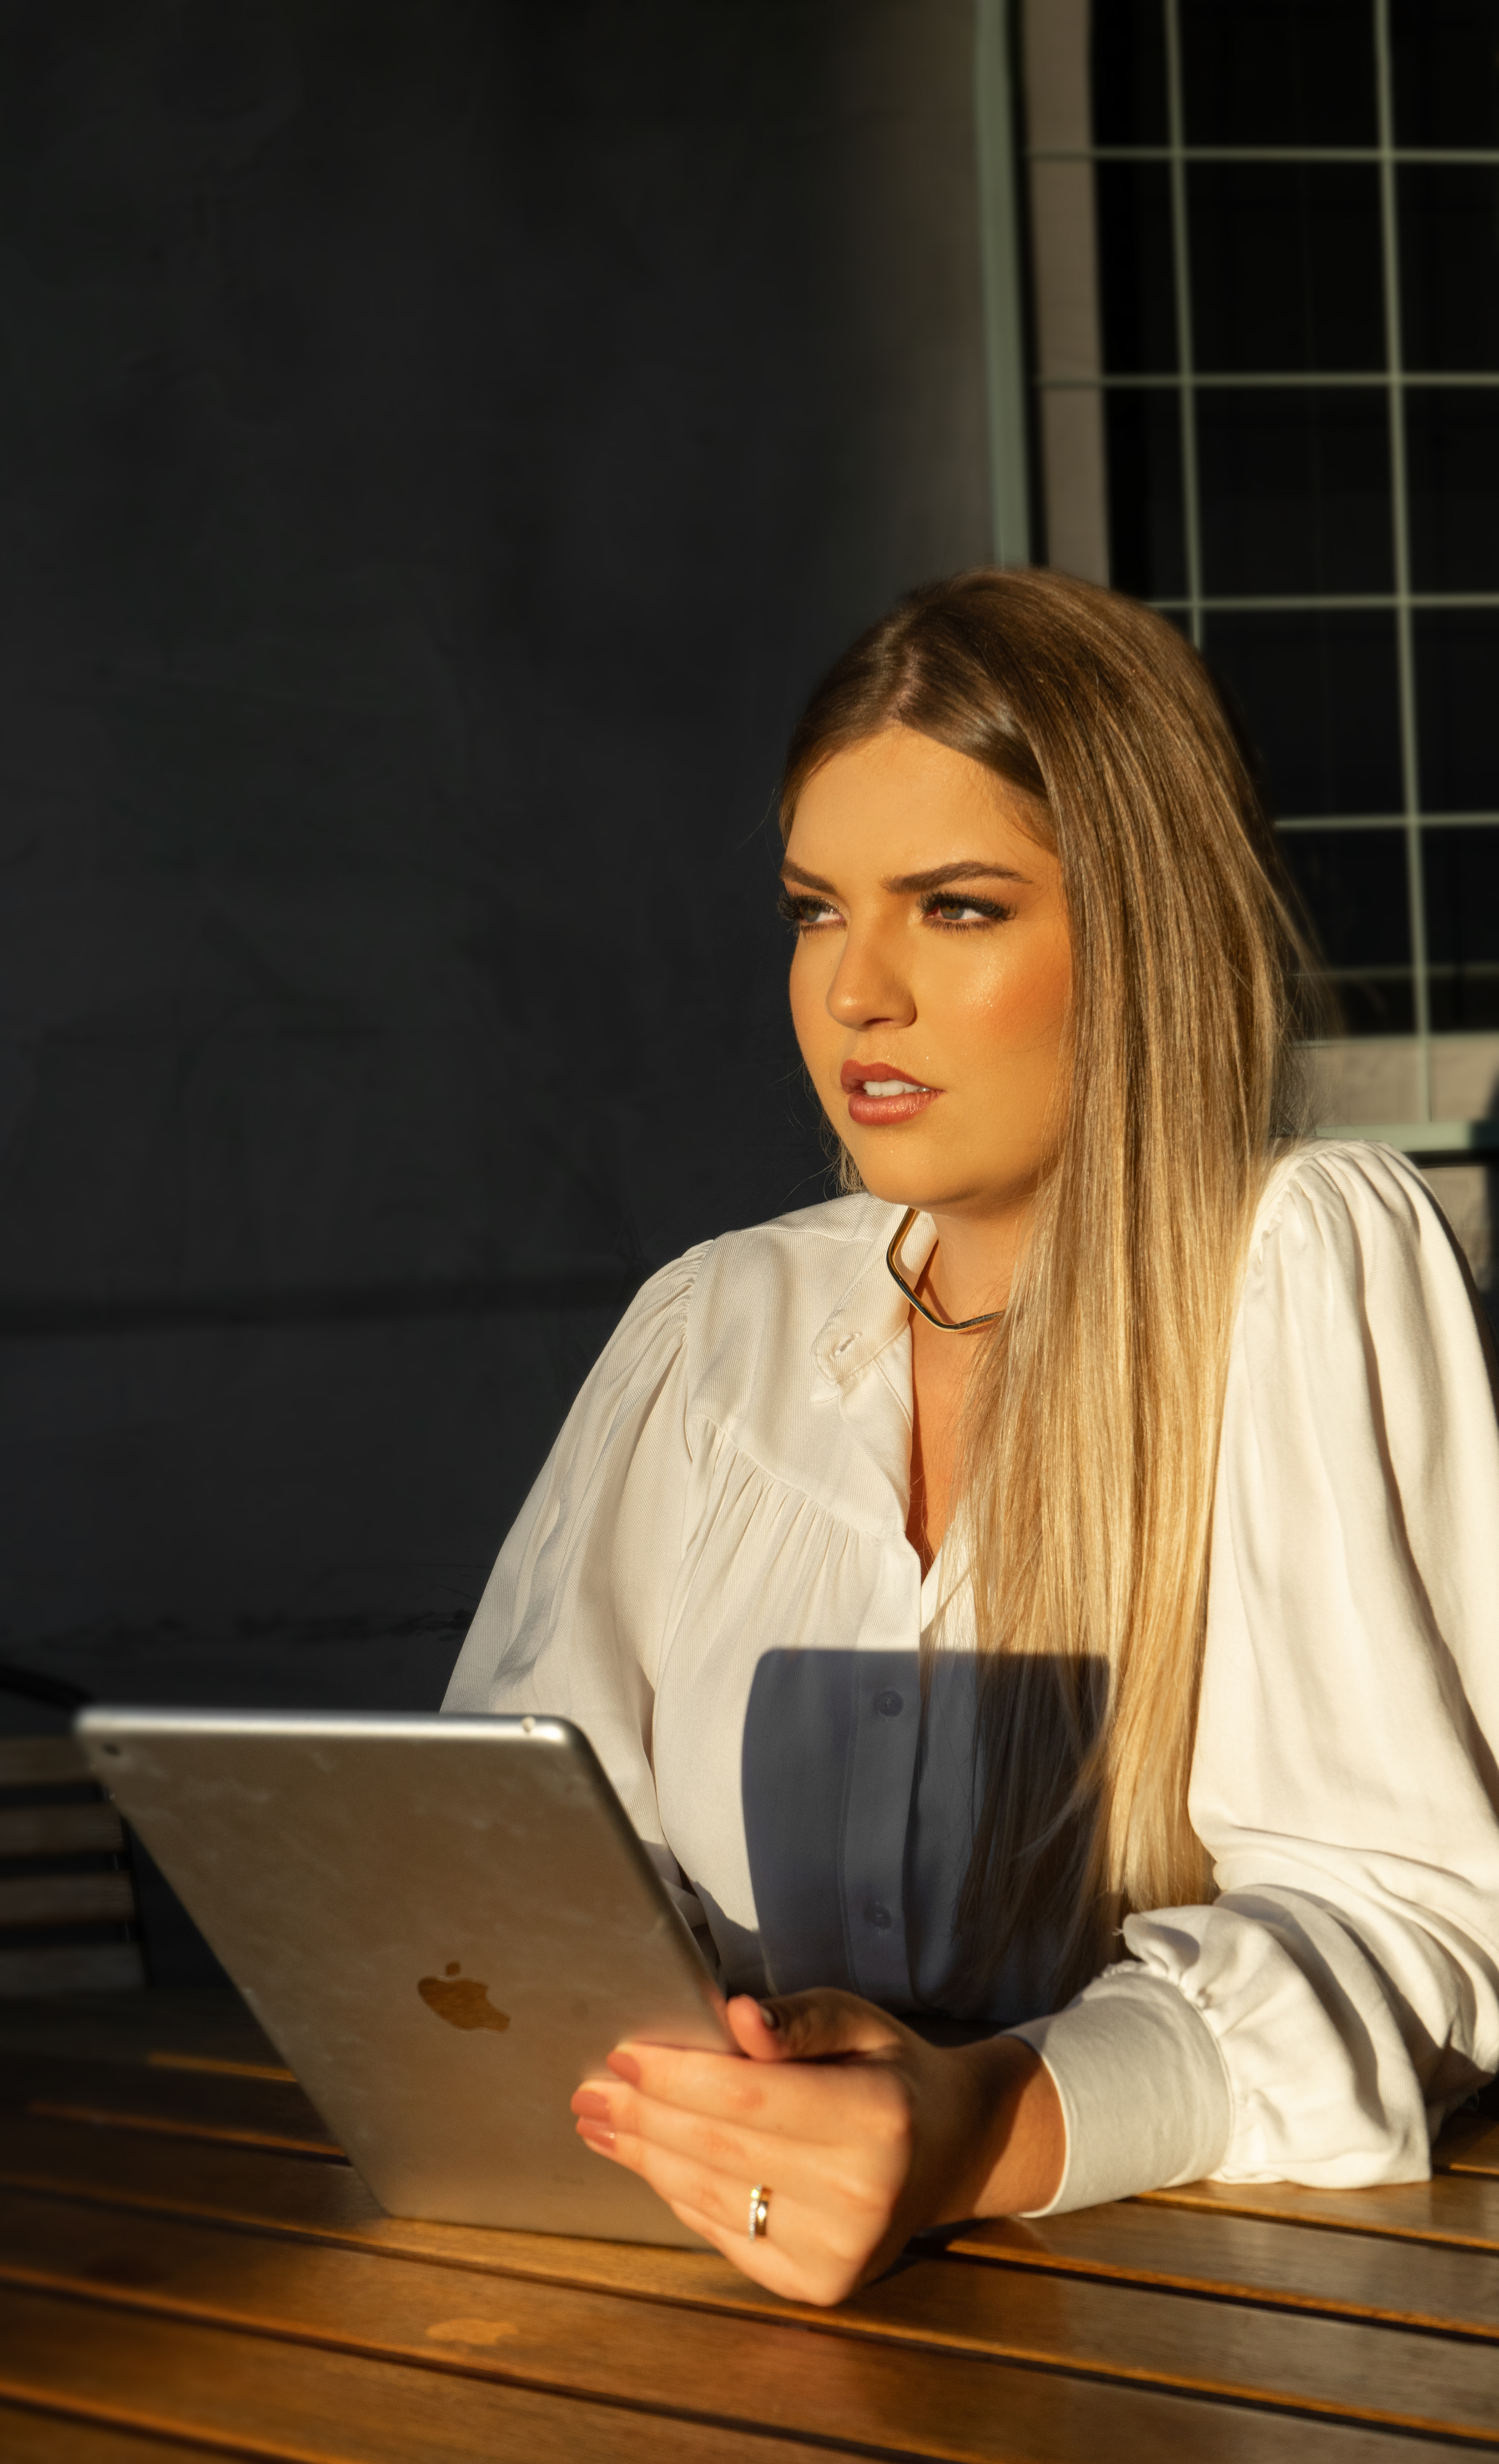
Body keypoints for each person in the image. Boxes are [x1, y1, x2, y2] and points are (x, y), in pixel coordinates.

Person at [443, 567, 1499, 2307]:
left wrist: (978, 2125)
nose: (857, 992)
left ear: (1144, 933)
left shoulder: (1298, 1265)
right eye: (814, 911)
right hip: (701, 2307)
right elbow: (509, 1860)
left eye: (955, 908)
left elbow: (1411, 1925)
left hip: (1206, 2342)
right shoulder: (716, 1327)